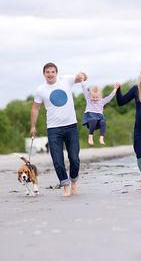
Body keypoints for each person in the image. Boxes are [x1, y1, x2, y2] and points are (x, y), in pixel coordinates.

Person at [30, 62, 87, 197]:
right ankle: (65, 186)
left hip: (71, 126)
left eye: (52, 72)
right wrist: (33, 126)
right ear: (44, 74)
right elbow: (35, 108)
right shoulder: (40, 90)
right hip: (53, 129)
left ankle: (73, 182)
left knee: (74, 158)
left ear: (56, 73)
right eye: (47, 72)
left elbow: (82, 78)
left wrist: (83, 75)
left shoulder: (66, 80)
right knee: (57, 160)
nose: (50, 74)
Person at [81, 80, 119, 145]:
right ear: (90, 96)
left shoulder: (102, 101)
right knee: (93, 120)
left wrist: (115, 88)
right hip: (90, 119)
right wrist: (82, 80)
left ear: (100, 96)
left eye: (97, 97)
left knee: (103, 122)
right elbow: (84, 89)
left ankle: (101, 138)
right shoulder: (88, 99)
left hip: (99, 118)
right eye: (93, 97)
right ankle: (90, 137)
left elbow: (110, 97)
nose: (95, 99)